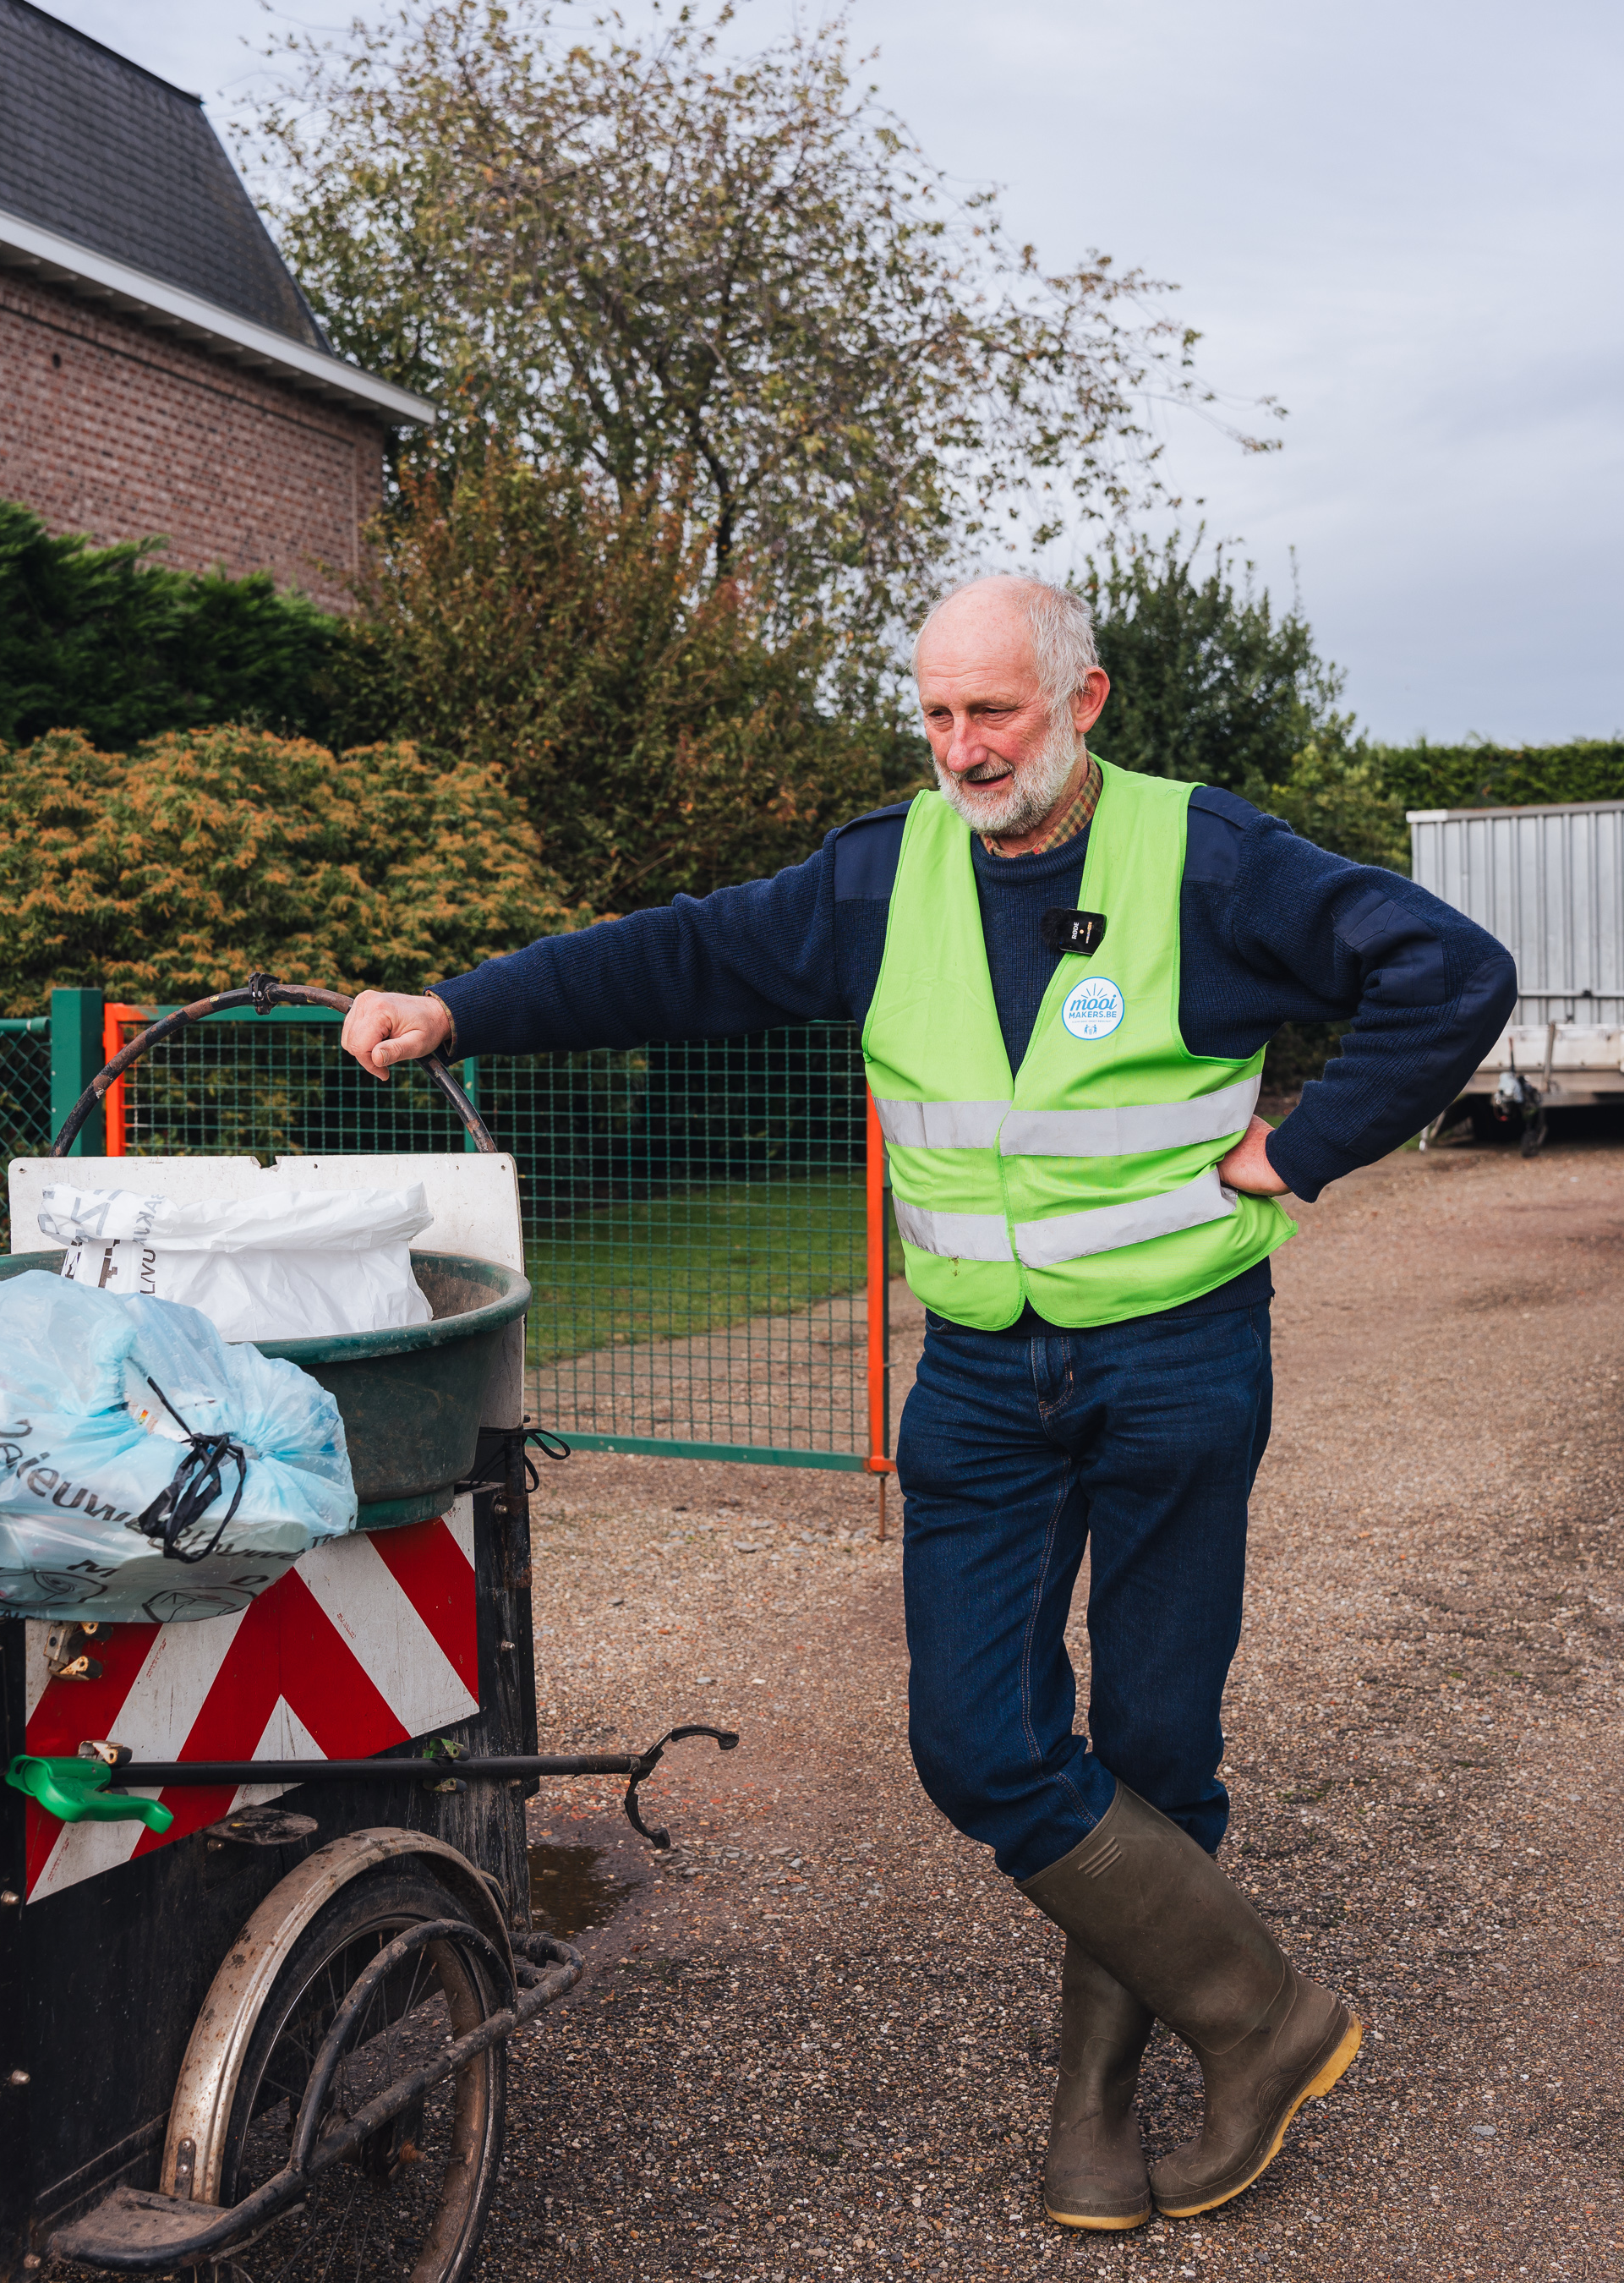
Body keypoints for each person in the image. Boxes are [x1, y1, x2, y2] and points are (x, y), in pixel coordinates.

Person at [339, 577, 1515, 2231]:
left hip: (1179, 1357)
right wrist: (463, 1004)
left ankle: (1098, 2106)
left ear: (1084, 702)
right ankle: (1265, 2019)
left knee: (1161, 1736)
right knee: (981, 1744)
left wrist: (1303, 1145)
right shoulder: (884, 878)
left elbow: (1452, 975)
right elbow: (679, 956)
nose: (964, 747)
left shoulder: (1210, 855)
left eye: (998, 715)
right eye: (939, 714)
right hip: (976, 1376)